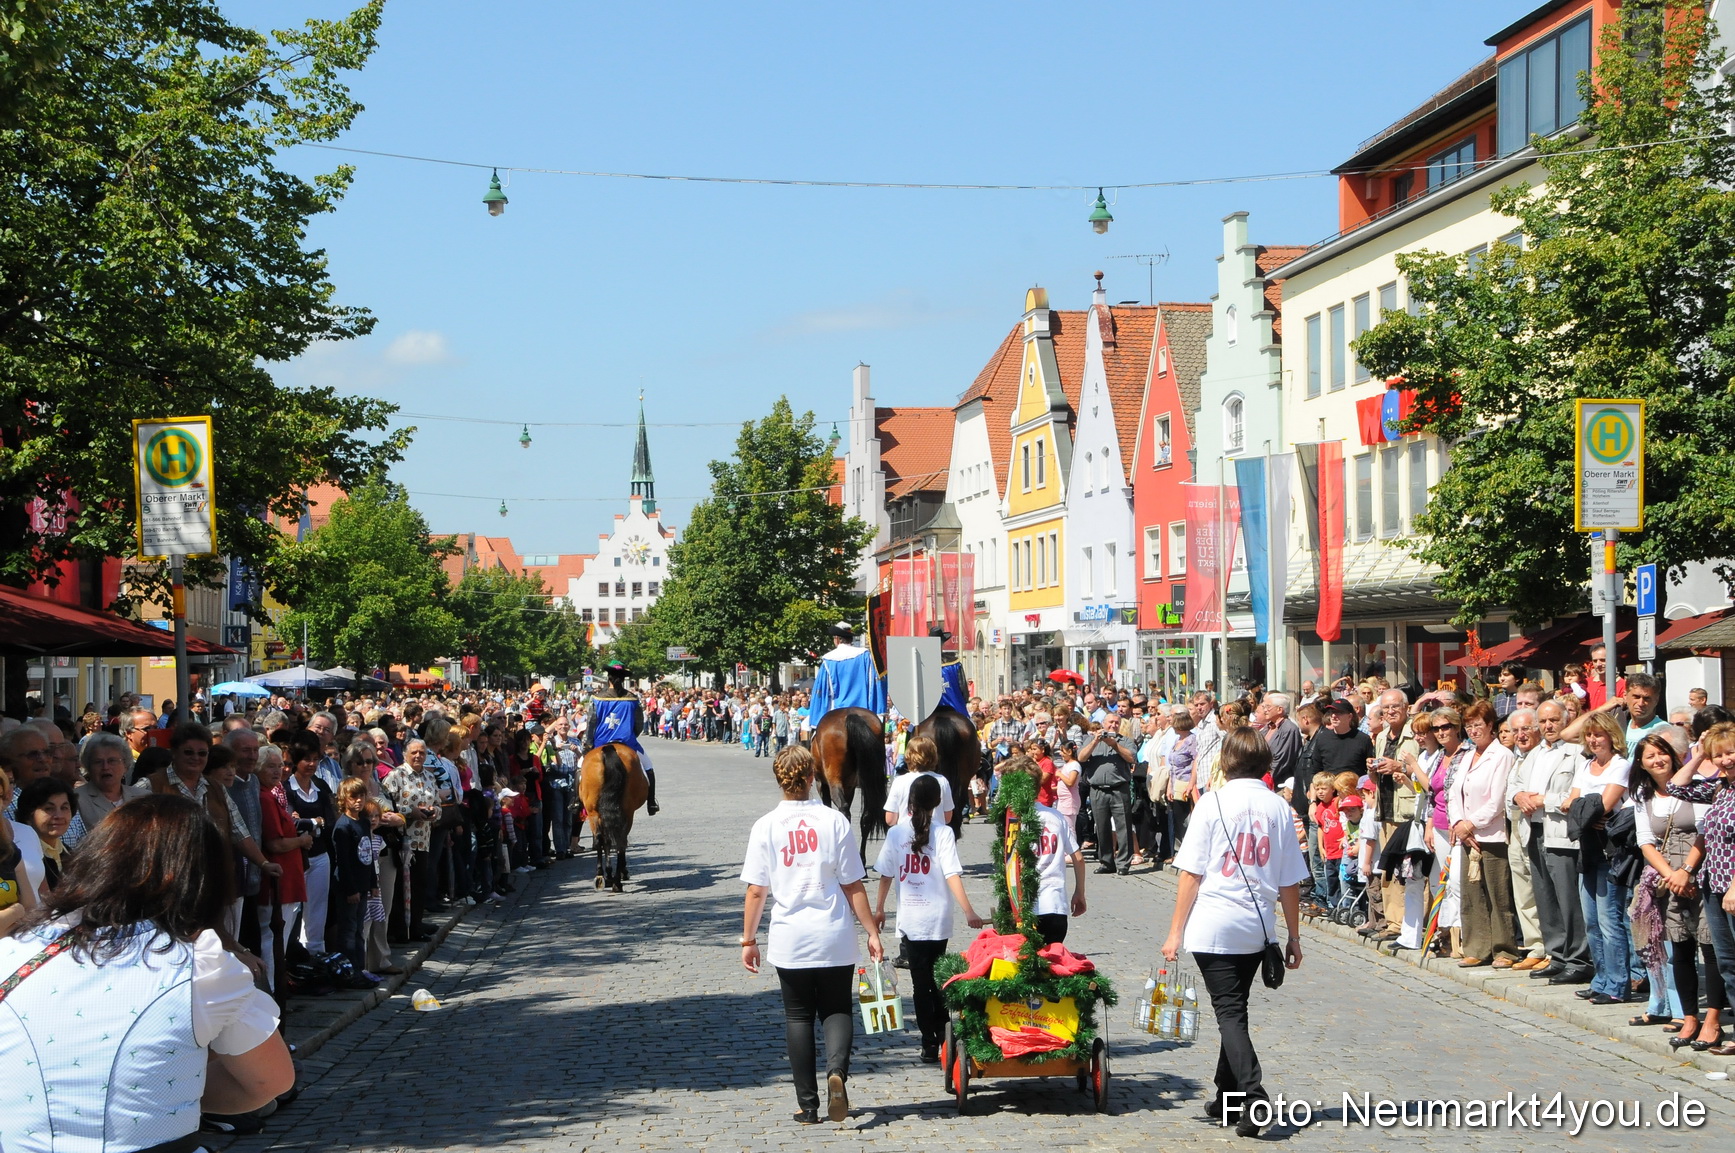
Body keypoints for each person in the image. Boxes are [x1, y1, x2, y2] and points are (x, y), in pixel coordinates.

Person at [0, 794, 294, 1149]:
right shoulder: (200, 965)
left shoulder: (12, 952)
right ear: (202, 880)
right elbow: (267, 1081)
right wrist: (164, 1090)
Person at [1161, 728, 1308, 1137]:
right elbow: (1290, 881)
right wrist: (1294, 937)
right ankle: (1226, 1098)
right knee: (1235, 1007)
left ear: (1225, 761)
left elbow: (1191, 872)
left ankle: (1253, 1095)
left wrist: (1175, 931)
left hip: (1214, 922)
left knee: (1229, 1013)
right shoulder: (1278, 807)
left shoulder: (1212, 802)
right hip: (1256, 927)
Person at [740, 745, 884, 1125]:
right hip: (833, 933)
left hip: (791, 937)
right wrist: (871, 932)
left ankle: (808, 1105)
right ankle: (837, 1072)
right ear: (811, 778)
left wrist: (749, 940)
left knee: (798, 1017)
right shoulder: (834, 821)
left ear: (779, 779)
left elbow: (756, 891)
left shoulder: (766, 826)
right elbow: (853, 884)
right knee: (837, 1008)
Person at [873, 775, 984, 1064]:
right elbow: (951, 874)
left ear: (910, 801)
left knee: (921, 984)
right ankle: (945, 1033)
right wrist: (968, 910)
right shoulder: (943, 833)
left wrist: (879, 908)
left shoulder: (896, 833)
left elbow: (886, 874)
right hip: (937, 918)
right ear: (937, 802)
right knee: (939, 979)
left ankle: (929, 1042)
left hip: (911, 918)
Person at [1448, 700, 1521, 968]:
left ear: (1491, 725)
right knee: (1472, 894)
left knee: (1497, 893)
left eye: (1478, 725)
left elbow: (1497, 799)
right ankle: (1477, 947)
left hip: (1491, 834)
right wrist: (1459, 822)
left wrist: (1471, 824)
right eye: (1468, 726)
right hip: (1467, 835)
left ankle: (1504, 949)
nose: (1473, 731)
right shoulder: (1467, 755)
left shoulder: (1502, 755)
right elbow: (1454, 792)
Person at [1567, 711, 1633, 1004]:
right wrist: (1584, 809)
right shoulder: (1586, 765)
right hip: (1587, 845)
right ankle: (1601, 979)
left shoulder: (1620, 765)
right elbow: (1571, 803)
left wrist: (1583, 808)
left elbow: (1604, 806)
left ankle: (1618, 985)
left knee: (1609, 920)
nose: (1593, 740)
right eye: (1590, 735)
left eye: (1599, 735)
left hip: (1611, 849)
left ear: (1611, 736)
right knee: (1591, 921)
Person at [585, 661, 658, 816]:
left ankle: (576, 802)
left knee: (580, 769)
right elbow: (639, 724)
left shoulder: (596, 698)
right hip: (627, 742)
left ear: (608, 678)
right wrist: (631, 736)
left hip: (601, 742)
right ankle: (651, 802)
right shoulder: (632, 698)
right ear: (623, 679)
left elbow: (591, 722)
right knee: (648, 768)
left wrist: (589, 743)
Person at [800, 622, 887, 741]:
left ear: (837, 639)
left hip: (837, 708)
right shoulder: (865, 655)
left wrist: (817, 718)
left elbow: (821, 691)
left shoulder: (828, 659)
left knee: (806, 726)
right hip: (863, 709)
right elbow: (875, 683)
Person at [1082, 717, 1136, 875]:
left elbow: (1132, 758)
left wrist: (1114, 745)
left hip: (1119, 789)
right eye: (1110, 722)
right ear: (1103, 724)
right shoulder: (1091, 740)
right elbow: (1081, 757)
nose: (1113, 725)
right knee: (1101, 827)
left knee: (1123, 827)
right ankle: (1106, 863)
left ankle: (1123, 864)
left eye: (1116, 723)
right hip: (1097, 790)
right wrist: (1095, 741)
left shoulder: (1125, 741)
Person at [73, 731, 146, 833]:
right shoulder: (76, 799)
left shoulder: (143, 797)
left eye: (112, 761)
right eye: (98, 762)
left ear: (125, 766)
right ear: (89, 767)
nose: (105, 767)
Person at [883, 735, 955, 828]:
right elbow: (947, 817)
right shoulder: (942, 780)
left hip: (906, 833)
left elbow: (890, 820)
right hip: (935, 833)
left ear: (908, 755)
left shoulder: (899, 781)